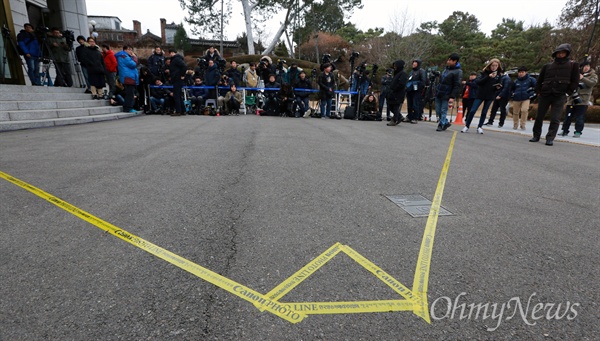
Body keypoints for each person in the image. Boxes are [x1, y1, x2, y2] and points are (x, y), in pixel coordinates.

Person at [530, 44, 580, 145]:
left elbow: (575, 81)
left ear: (567, 54)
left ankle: (550, 137)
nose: (560, 54)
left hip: (560, 94)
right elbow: (539, 80)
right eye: (559, 53)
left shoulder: (573, 65)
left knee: (555, 118)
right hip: (545, 93)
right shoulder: (547, 66)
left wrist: (567, 93)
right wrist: (538, 91)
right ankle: (536, 135)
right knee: (539, 116)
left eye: (563, 53)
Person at [462, 58, 500, 134]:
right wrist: (488, 77)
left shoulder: (498, 75)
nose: (494, 67)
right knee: (473, 110)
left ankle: (480, 127)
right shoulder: (484, 73)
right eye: (493, 65)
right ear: (489, 65)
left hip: (490, 95)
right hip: (480, 94)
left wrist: (497, 87)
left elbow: (498, 84)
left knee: (484, 112)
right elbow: (478, 82)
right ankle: (467, 126)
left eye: (496, 66)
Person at [560, 61, 598, 138]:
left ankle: (578, 131)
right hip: (571, 99)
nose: (586, 67)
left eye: (588, 66)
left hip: (583, 100)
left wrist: (582, 78)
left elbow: (592, 83)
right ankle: (564, 130)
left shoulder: (593, 75)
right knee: (568, 116)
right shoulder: (575, 74)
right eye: (584, 66)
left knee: (580, 117)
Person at [435, 53, 462, 131]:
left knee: (443, 110)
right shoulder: (446, 69)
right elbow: (442, 80)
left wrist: (452, 96)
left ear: (455, 61)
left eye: (450, 60)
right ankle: (445, 122)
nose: (448, 61)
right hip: (439, 92)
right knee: (438, 110)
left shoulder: (458, 72)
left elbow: (457, 85)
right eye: (448, 59)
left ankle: (441, 124)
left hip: (447, 93)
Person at [115, 45, 139, 113]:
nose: (131, 51)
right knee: (130, 94)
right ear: (126, 50)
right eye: (129, 49)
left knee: (130, 93)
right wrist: (134, 57)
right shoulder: (124, 56)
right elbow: (133, 64)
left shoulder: (125, 56)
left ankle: (128, 107)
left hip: (129, 77)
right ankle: (128, 108)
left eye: (131, 50)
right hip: (128, 77)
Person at [386, 59, 408, 126]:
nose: (394, 67)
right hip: (393, 92)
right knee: (390, 105)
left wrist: (395, 89)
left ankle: (395, 119)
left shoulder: (403, 74)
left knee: (395, 106)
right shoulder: (396, 73)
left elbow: (401, 84)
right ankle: (399, 116)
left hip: (398, 93)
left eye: (395, 65)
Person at [406, 59, 428, 123]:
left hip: (416, 90)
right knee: (409, 104)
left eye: (415, 63)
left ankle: (415, 117)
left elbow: (423, 81)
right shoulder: (411, 72)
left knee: (415, 104)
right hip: (410, 90)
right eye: (413, 63)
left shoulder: (421, 71)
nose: (413, 64)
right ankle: (409, 116)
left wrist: (416, 85)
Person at [167, 48, 187, 116]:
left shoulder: (176, 59)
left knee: (176, 95)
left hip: (177, 78)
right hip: (176, 78)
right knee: (178, 95)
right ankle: (183, 110)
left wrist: (182, 75)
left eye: (172, 52)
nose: (171, 54)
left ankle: (178, 111)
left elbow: (184, 66)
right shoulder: (175, 59)